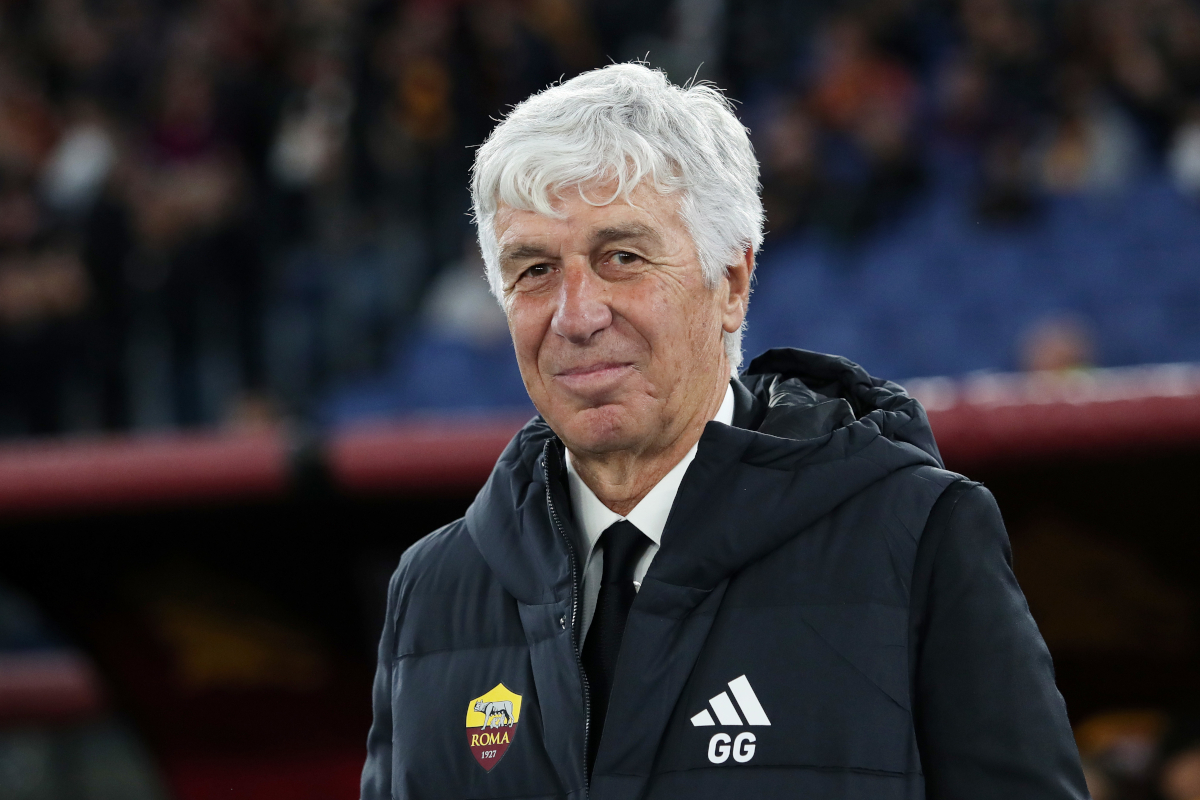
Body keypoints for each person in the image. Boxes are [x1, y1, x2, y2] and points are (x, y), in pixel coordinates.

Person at [361, 63, 1089, 800]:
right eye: (535, 270)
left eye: (623, 258)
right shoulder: (431, 590)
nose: (575, 317)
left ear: (732, 284)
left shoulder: (917, 538)